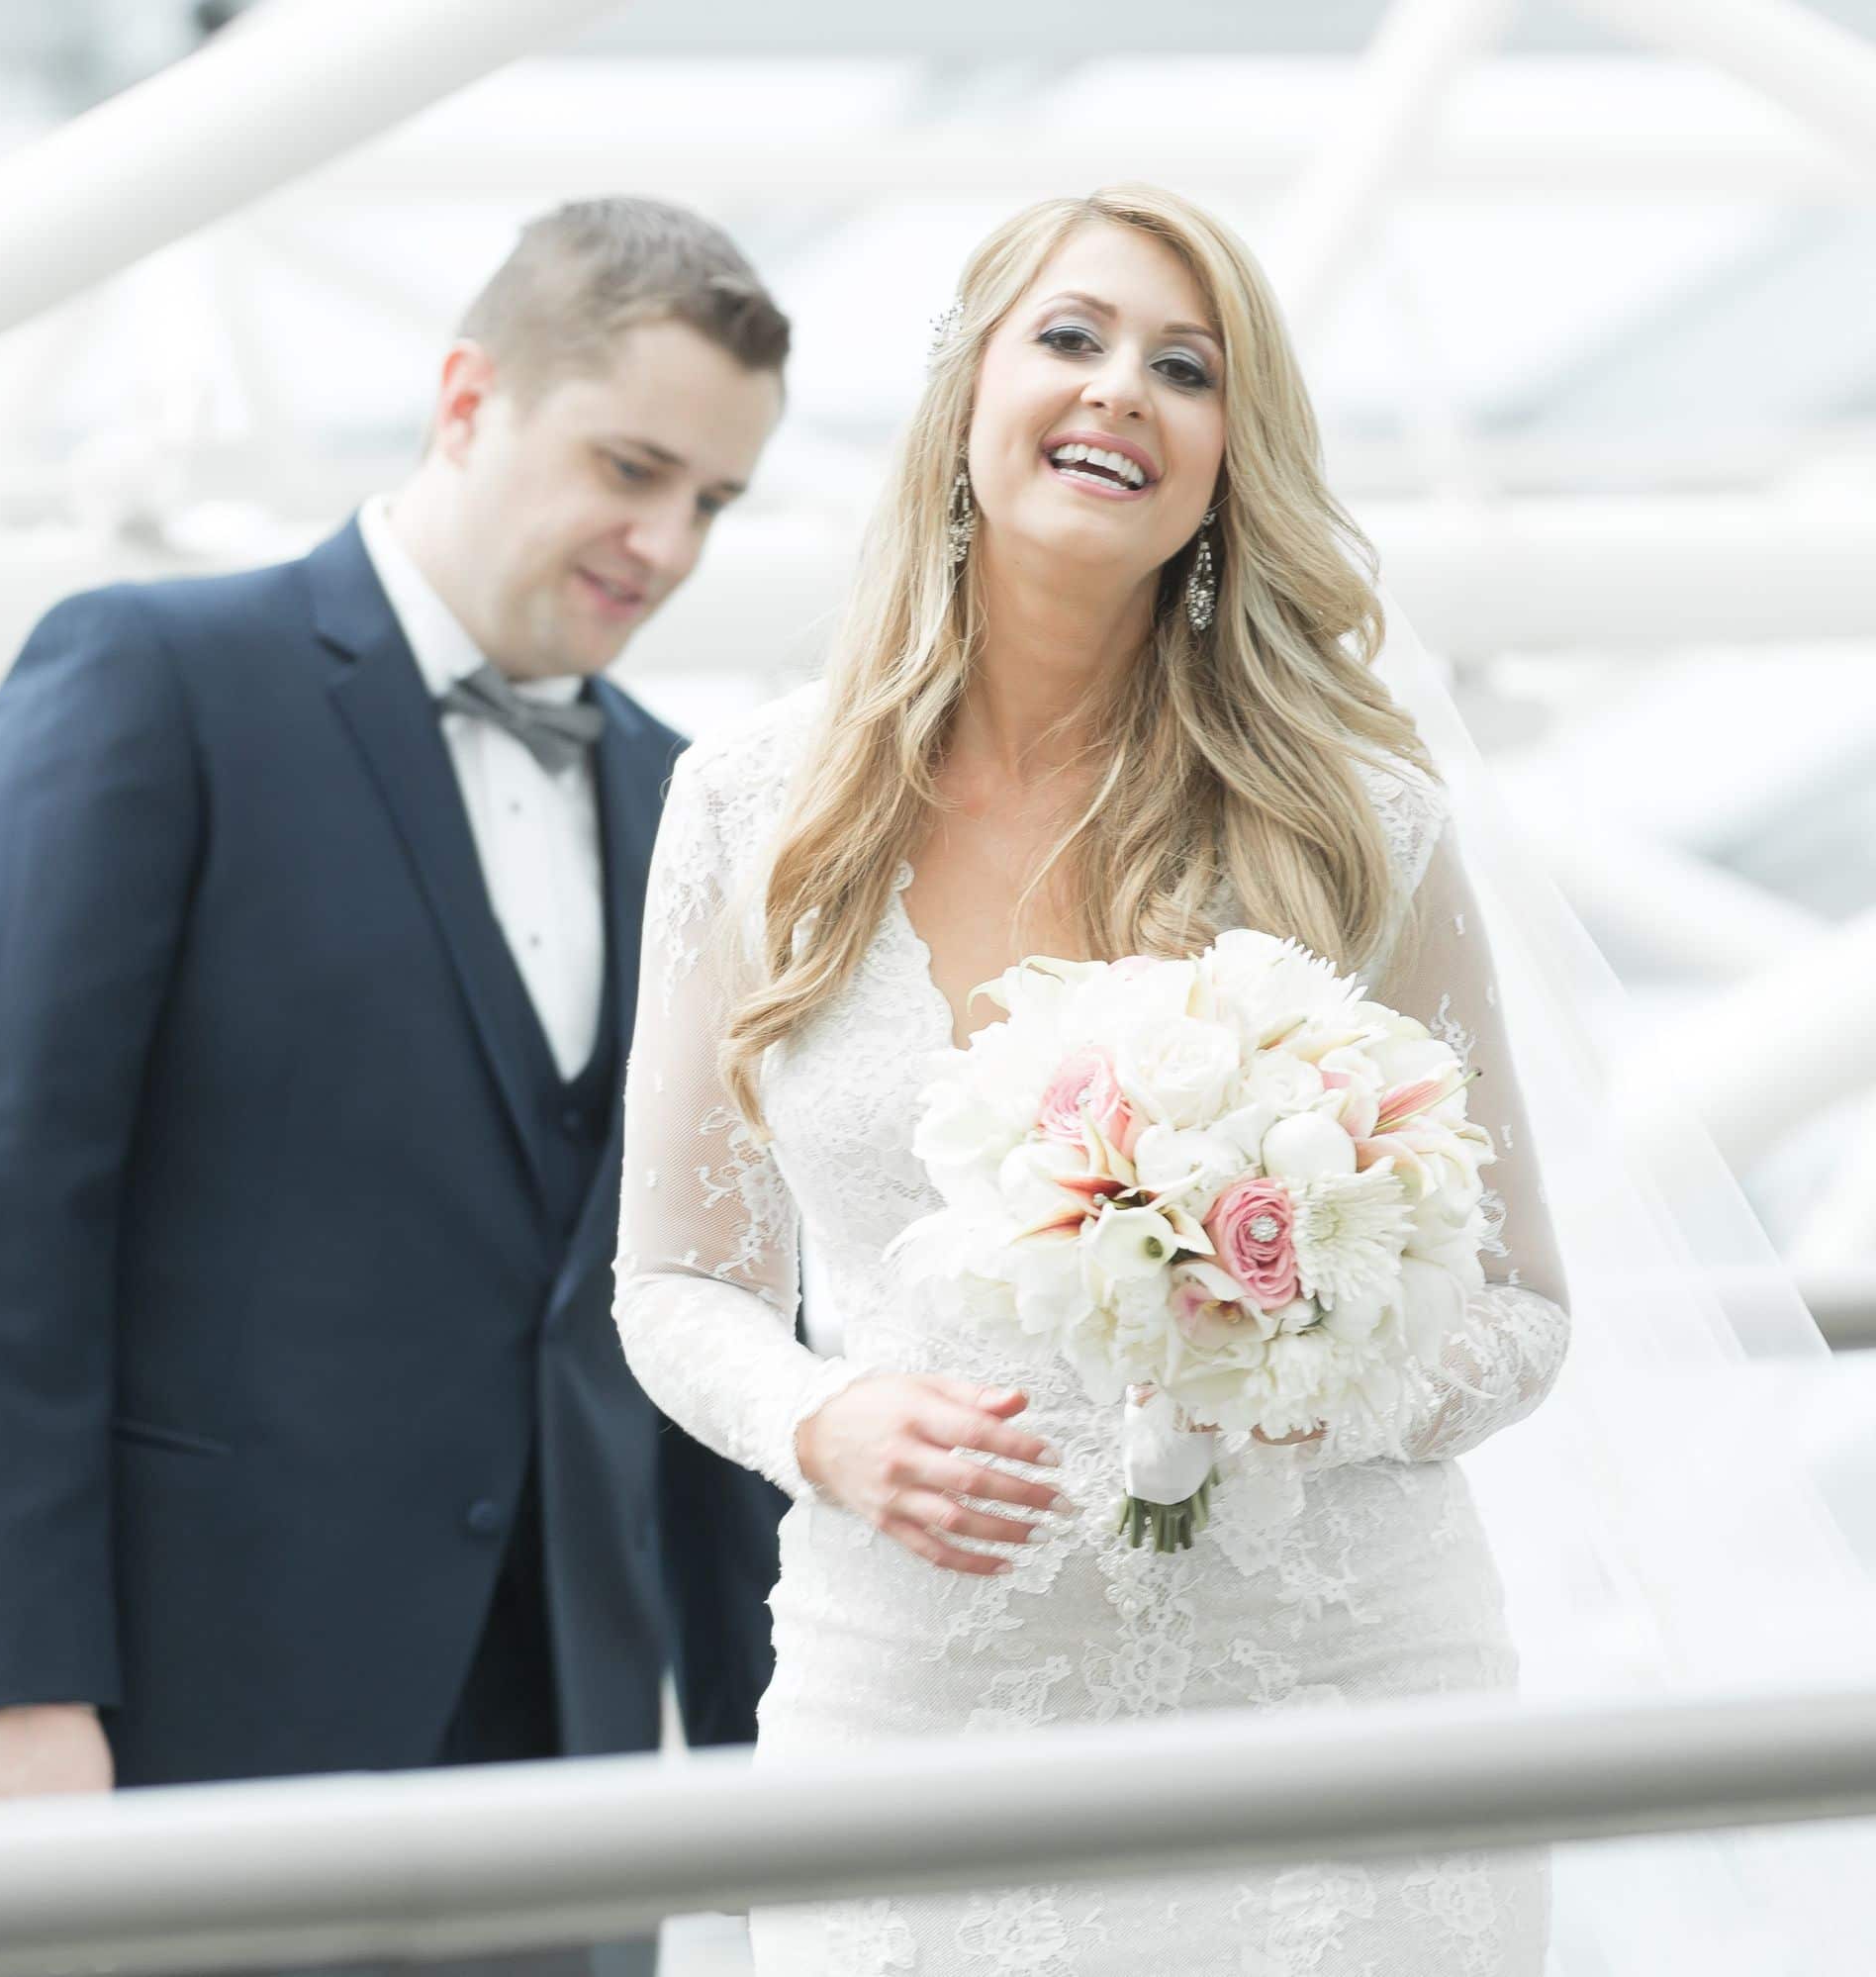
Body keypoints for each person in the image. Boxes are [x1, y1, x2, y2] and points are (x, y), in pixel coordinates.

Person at [611, 184, 1564, 1971]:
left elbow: (1517, 1309)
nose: (1121, 387)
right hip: (908, 1720)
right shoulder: (752, 806)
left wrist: (1319, 1376)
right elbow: (672, 1282)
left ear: (1225, 464)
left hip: (1338, 1720)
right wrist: (815, 1420)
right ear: (968, 396)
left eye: (1184, 367)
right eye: (1072, 337)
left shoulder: (1360, 831)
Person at [0, 198, 795, 1841]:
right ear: (466, 399)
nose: (670, 546)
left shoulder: (689, 798)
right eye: (631, 471)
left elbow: (702, 1290)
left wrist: (779, 1762)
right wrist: (12, 1692)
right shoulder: (150, 680)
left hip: (558, 1766)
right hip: (163, 1718)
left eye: (713, 501)